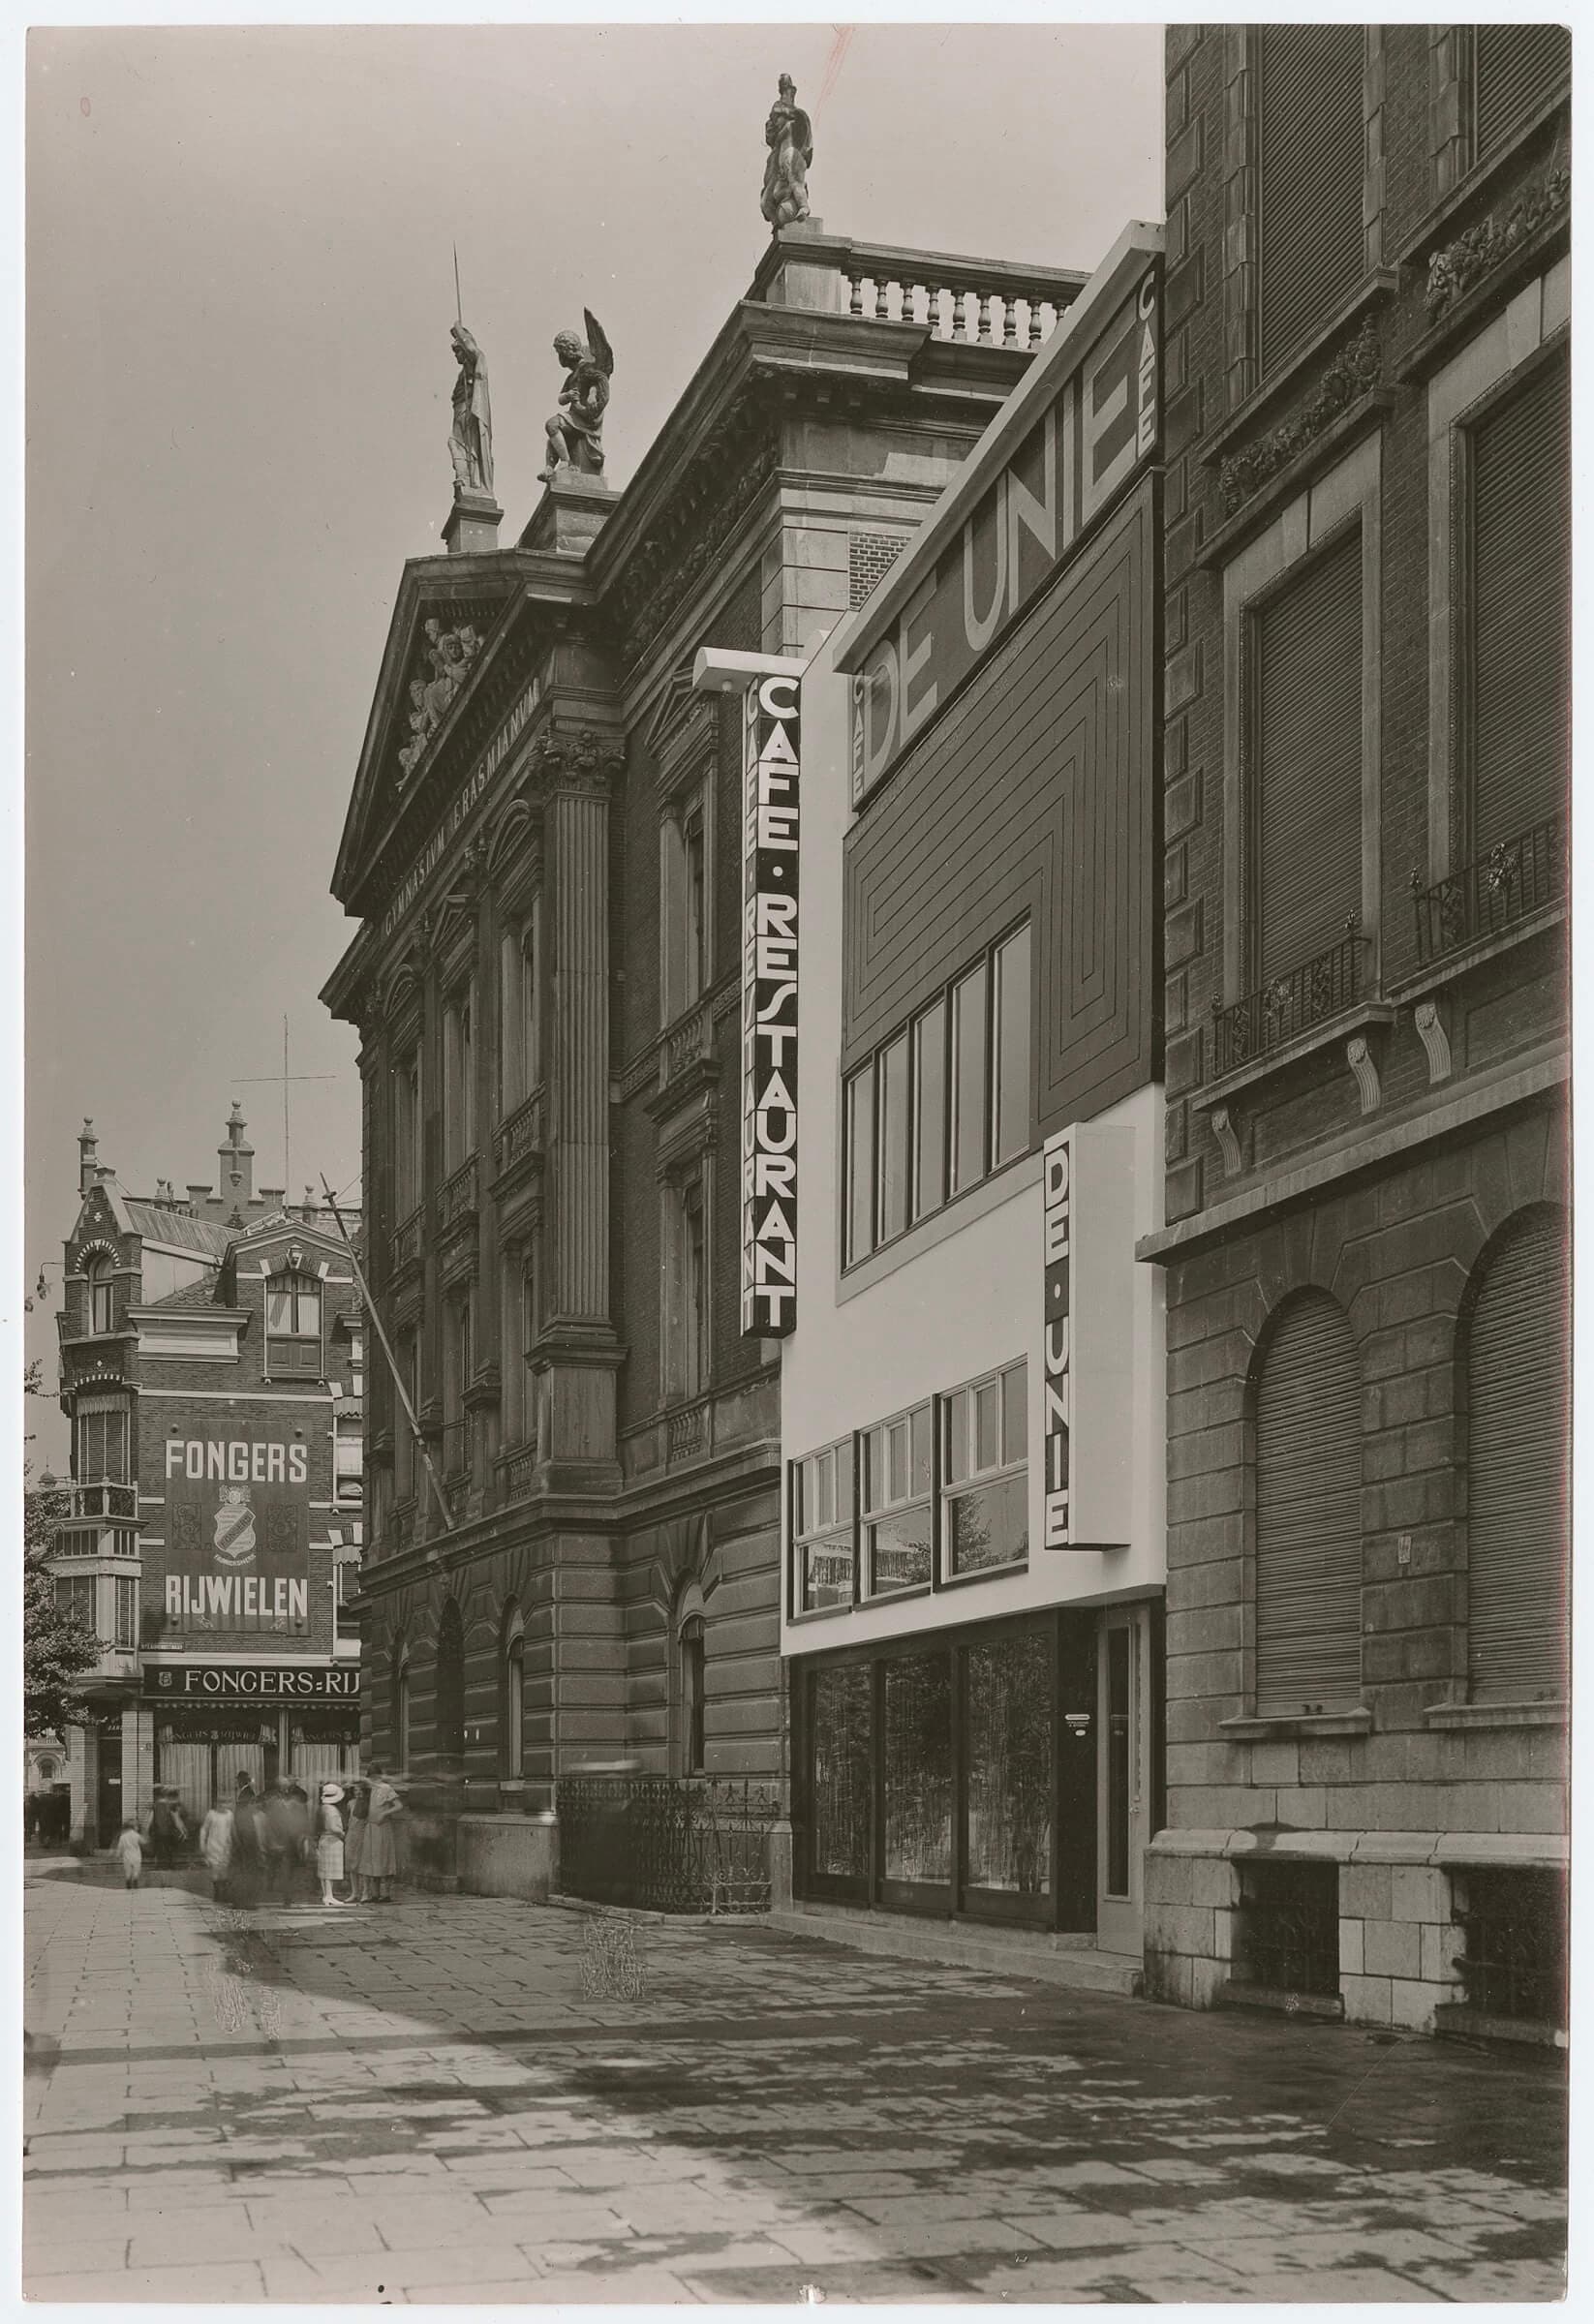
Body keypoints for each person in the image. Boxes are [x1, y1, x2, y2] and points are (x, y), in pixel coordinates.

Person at [262, 1780, 309, 1909]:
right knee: (281, 1868)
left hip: (292, 1843)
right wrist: (272, 1842)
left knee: (289, 1870)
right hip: (279, 1842)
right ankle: (282, 1894)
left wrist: (302, 1839)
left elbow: (302, 1824)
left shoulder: (297, 1807)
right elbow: (269, 1825)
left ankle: (287, 1896)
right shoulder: (274, 1807)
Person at [363, 1764, 402, 1904]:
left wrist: (385, 1813)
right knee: (373, 1861)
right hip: (370, 1828)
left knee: (384, 1859)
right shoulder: (369, 1789)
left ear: (379, 1775)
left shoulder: (386, 1788)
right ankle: (375, 1894)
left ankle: (386, 1894)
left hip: (382, 1827)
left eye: (375, 1776)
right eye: (371, 1776)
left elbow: (398, 1805)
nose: (373, 1778)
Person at [315, 1785, 351, 1907]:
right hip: (332, 1840)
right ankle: (329, 1895)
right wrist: (343, 1834)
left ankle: (327, 1895)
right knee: (330, 1870)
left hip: (323, 1839)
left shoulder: (322, 1808)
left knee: (324, 1870)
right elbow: (333, 1827)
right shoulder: (331, 1810)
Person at [199, 1797, 234, 1903]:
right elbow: (204, 1829)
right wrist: (202, 1845)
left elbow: (232, 1830)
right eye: (221, 1803)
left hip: (226, 1846)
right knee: (215, 1870)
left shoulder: (229, 1815)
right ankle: (217, 1894)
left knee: (224, 1871)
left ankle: (224, 1894)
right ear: (217, 1804)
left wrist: (233, 1843)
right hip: (213, 1845)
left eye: (226, 1803)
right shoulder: (211, 1814)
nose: (223, 1805)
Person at [149, 1789, 188, 1880]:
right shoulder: (170, 1806)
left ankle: (160, 1865)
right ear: (165, 1796)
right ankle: (170, 1865)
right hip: (168, 1831)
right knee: (169, 1848)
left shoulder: (155, 1806)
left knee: (159, 1848)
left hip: (158, 1831)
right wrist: (183, 1830)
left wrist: (146, 1831)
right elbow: (176, 1819)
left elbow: (149, 1819)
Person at [343, 1779, 371, 1903]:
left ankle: (366, 1892)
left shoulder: (369, 1804)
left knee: (362, 1864)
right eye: (355, 1790)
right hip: (351, 1835)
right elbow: (348, 1820)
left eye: (360, 1790)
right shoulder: (350, 1803)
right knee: (351, 1865)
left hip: (363, 1835)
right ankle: (354, 1892)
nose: (357, 1792)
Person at [115, 1818, 143, 1890]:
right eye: (137, 1826)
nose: (137, 1828)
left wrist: (118, 1855)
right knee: (136, 1871)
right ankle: (135, 1881)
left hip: (127, 1857)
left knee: (128, 1872)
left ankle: (128, 1883)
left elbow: (120, 1847)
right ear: (134, 1827)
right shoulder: (136, 1835)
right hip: (136, 1857)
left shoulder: (123, 1837)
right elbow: (143, 1841)